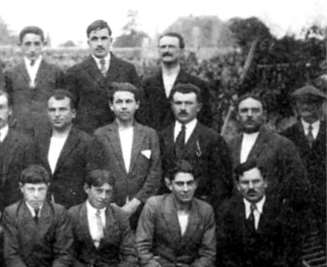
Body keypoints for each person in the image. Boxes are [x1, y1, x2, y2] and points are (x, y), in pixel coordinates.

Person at [135, 160, 216, 267]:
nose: (186, 189)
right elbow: (142, 247)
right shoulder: (154, 205)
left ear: (196, 184)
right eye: (180, 184)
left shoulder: (205, 210)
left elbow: (208, 253)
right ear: (169, 184)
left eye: (190, 183)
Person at [2, 165, 73, 267]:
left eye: (41, 189)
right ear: (21, 188)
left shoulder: (59, 212)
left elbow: (64, 253)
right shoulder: (11, 213)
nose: (36, 195)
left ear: (48, 188)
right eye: (31, 189)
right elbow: (10, 254)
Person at [226, 94, 310, 211]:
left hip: (272, 218)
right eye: (244, 111)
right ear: (237, 116)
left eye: (255, 110)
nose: (249, 115)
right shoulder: (229, 146)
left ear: (264, 115)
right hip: (237, 218)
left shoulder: (281, 144)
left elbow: (298, 187)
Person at [94, 83, 161, 224]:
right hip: (109, 206)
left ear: (137, 105)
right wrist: (109, 202)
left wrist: (135, 203)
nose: (124, 106)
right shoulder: (100, 135)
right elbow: (95, 171)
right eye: (119, 102)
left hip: (142, 207)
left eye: (128, 101)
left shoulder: (149, 134)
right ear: (111, 106)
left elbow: (155, 172)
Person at [157, 84, 232, 210]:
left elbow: (222, 184)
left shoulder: (213, 139)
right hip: (166, 211)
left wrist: (206, 211)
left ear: (198, 107)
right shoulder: (160, 137)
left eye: (188, 103)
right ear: (171, 105)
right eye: (178, 103)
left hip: (201, 211)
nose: (183, 108)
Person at [63, 20, 140, 133]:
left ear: (110, 41)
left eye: (103, 38)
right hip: (89, 135)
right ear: (88, 42)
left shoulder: (127, 69)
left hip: (121, 133)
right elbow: (70, 109)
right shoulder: (75, 72)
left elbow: (137, 103)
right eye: (94, 39)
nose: (99, 43)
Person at [37, 90, 107, 208]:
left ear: (73, 113)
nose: (57, 114)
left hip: (74, 210)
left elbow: (93, 182)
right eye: (52, 110)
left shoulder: (87, 142)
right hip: (44, 209)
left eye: (62, 109)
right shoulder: (39, 141)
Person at [281, 84, 326, 248]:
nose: (305, 107)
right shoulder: (285, 137)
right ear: (296, 106)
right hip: (298, 206)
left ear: (319, 105)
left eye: (311, 102)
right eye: (301, 103)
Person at [138, 32, 213, 131]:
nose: (167, 50)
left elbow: (206, 119)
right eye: (163, 47)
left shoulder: (198, 84)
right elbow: (141, 118)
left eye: (171, 47)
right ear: (158, 51)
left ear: (181, 51)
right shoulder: (146, 85)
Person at [4, 26, 64, 137]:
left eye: (36, 44)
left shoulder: (55, 72)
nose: (32, 49)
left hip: (48, 131)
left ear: (43, 45)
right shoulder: (11, 74)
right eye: (27, 44)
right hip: (19, 131)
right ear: (20, 45)